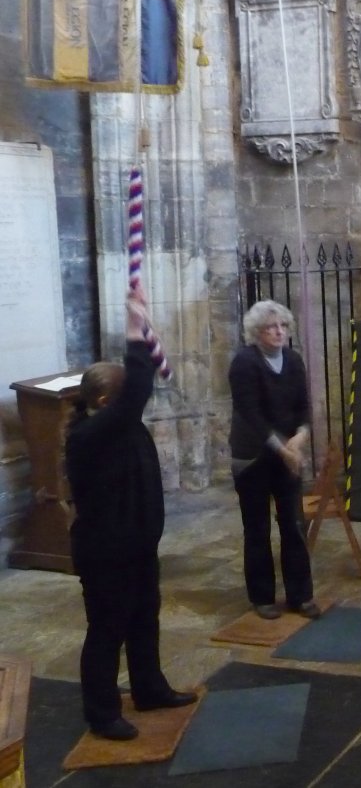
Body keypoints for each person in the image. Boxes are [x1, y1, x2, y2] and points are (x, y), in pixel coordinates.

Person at [65, 290, 197, 740]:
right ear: (105, 402)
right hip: (106, 551)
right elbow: (138, 388)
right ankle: (102, 713)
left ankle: (149, 688)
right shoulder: (90, 437)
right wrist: (134, 329)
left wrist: (147, 331)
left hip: (137, 544)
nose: (134, 404)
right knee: (107, 629)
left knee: (144, 617)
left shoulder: (119, 428)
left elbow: (137, 392)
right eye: (124, 400)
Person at [228, 300, 319, 620]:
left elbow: (302, 406)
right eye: (271, 327)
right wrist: (285, 451)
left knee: (293, 524)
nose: (279, 332)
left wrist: (301, 435)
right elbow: (251, 414)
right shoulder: (245, 363)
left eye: (282, 326)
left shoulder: (293, 360)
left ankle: (300, 595)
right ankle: (262, 596)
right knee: (257, 527)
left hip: (286, 453)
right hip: (253, 454)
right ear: (257, 333)